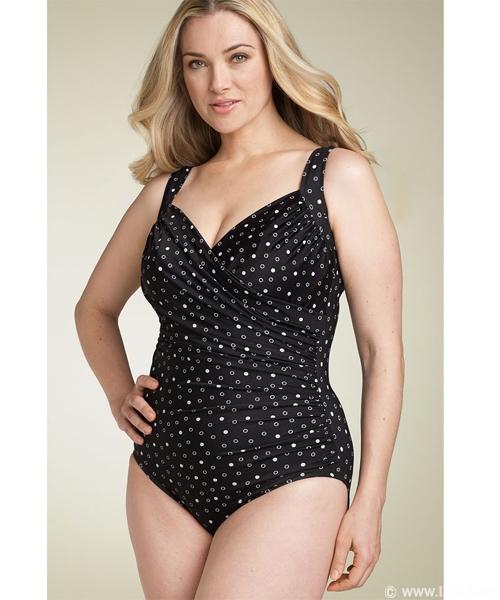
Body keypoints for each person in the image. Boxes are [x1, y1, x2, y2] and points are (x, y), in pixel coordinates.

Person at [74, 1, 404, 598]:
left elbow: (380, 350)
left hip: (291, 464)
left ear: (273, 60)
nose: (218, 83)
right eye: (197, 63)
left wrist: (371, 499)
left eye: (238, 57)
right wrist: (119, 392)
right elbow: (93, 307)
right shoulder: (166, 191)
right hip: (164, 470)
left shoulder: (337, 176)